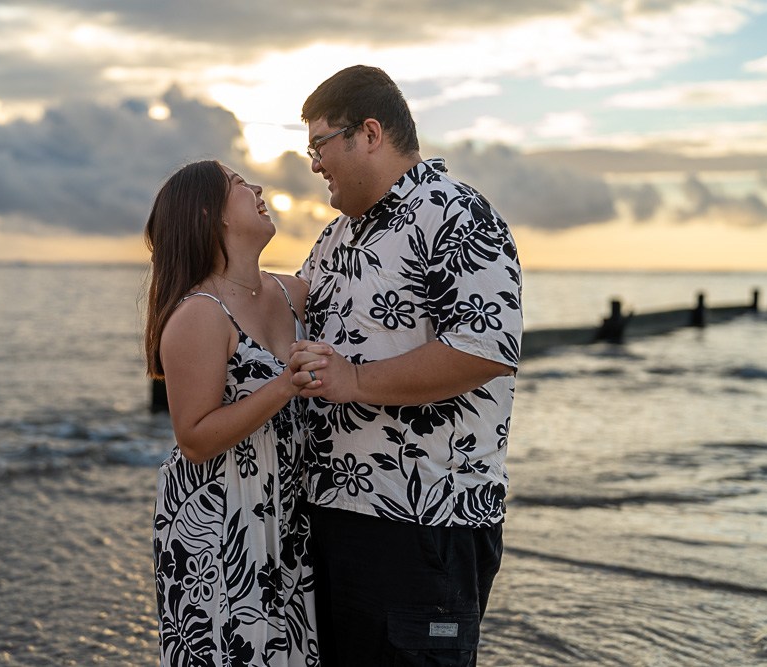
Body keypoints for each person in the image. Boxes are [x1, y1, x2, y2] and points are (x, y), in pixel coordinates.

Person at [288, 65, 523, 666]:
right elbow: (287, 305)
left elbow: (485, 347)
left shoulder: (456, 214)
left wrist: (355, 379)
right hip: (336, 513)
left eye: (318, 144)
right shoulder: (337, 235)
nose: (313, 162)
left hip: (424, 522)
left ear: (369, 133)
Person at [145, 160, 322, 666]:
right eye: (239, 184)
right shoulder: (199, 314)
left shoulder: (292, 293)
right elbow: (195, 438)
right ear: (211, 214)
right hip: (219, 522)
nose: (257, 187)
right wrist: (285, 386)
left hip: (284, 513)